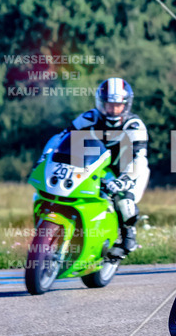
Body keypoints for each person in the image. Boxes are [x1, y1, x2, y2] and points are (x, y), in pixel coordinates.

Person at [59, 78, 150, 256]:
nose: (113, 109)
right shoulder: (89, 118)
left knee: (124, 200)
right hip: (95, 167)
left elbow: (140, 158)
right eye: (109, 104)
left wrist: (124, 180)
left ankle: (128, 238)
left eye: (118, 105)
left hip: (127, 171)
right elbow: (62, 137)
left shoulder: (134, 125)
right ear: (101, 103)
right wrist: (49, 156)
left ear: (126, 104)